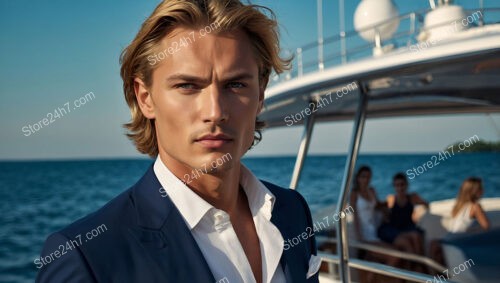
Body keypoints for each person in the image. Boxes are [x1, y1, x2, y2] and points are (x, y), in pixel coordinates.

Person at [36, 1, 320, 282]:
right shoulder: (86, 258)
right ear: (145, 97)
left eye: (235, 85)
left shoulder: (292, 210)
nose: (215, 112)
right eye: (187, 86)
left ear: (260, 94)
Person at [350, 166, 402, 283]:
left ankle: (377, 278)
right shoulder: (354, 193)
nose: (366, 179)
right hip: (365, 236)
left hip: (375, 232)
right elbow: (355, 216)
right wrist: (360, 239)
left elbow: (378, 205)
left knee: (398, 252)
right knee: (395, 256)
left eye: (368, 176)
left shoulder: (372, 191)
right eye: (363, 176)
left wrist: (389, 203)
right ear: (358, 178)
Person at [377, 173, 428, 256]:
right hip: (395, 228)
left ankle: (419, 263)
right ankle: (418, 263)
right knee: (414, 236)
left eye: (402, 185)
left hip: (408, 226)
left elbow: (426, 204)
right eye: (397, 185)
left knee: (417, 237)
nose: (400, 188)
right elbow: (378, 206)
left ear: (407, 185)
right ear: (394, 186)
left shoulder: (412, 197)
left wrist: (418, 213)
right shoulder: (391, 199)